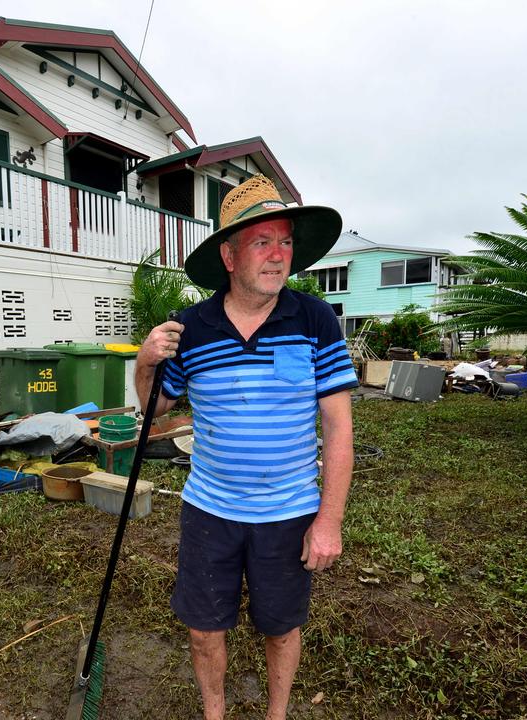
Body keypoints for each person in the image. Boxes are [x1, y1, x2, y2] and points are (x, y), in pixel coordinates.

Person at [135, 175, 357, 720]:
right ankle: (215, 714)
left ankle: (275, 716)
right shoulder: (192, 327)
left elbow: (338, 429)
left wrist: (328, 522)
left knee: (282, 628)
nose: (279, 255)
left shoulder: (313, 319)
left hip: (288, 510)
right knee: (204, 628)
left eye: (284, 241)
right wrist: (143, 362)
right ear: (230, 256)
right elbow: (153, 411)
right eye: (263, 242)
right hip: (210, 509)